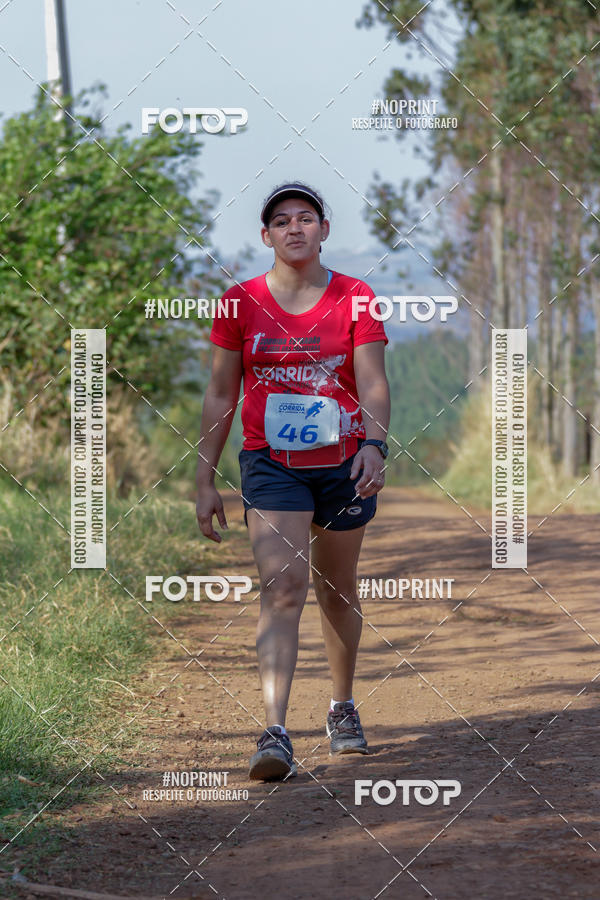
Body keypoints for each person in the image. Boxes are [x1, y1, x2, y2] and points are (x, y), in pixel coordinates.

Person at [195, 182, 390, 781]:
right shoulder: (240, 303)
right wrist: (204, 479)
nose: (295, 228)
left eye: (306, 218)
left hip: (343, 463)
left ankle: (341, 707)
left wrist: (375, 446)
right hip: (270, 463)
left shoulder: (357, 298)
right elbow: (223, 392)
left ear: (324, 230)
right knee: (284, 586)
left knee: (337, 588)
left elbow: (375, 382)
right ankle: (275, 730)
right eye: (282, 221)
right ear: (266, 236)